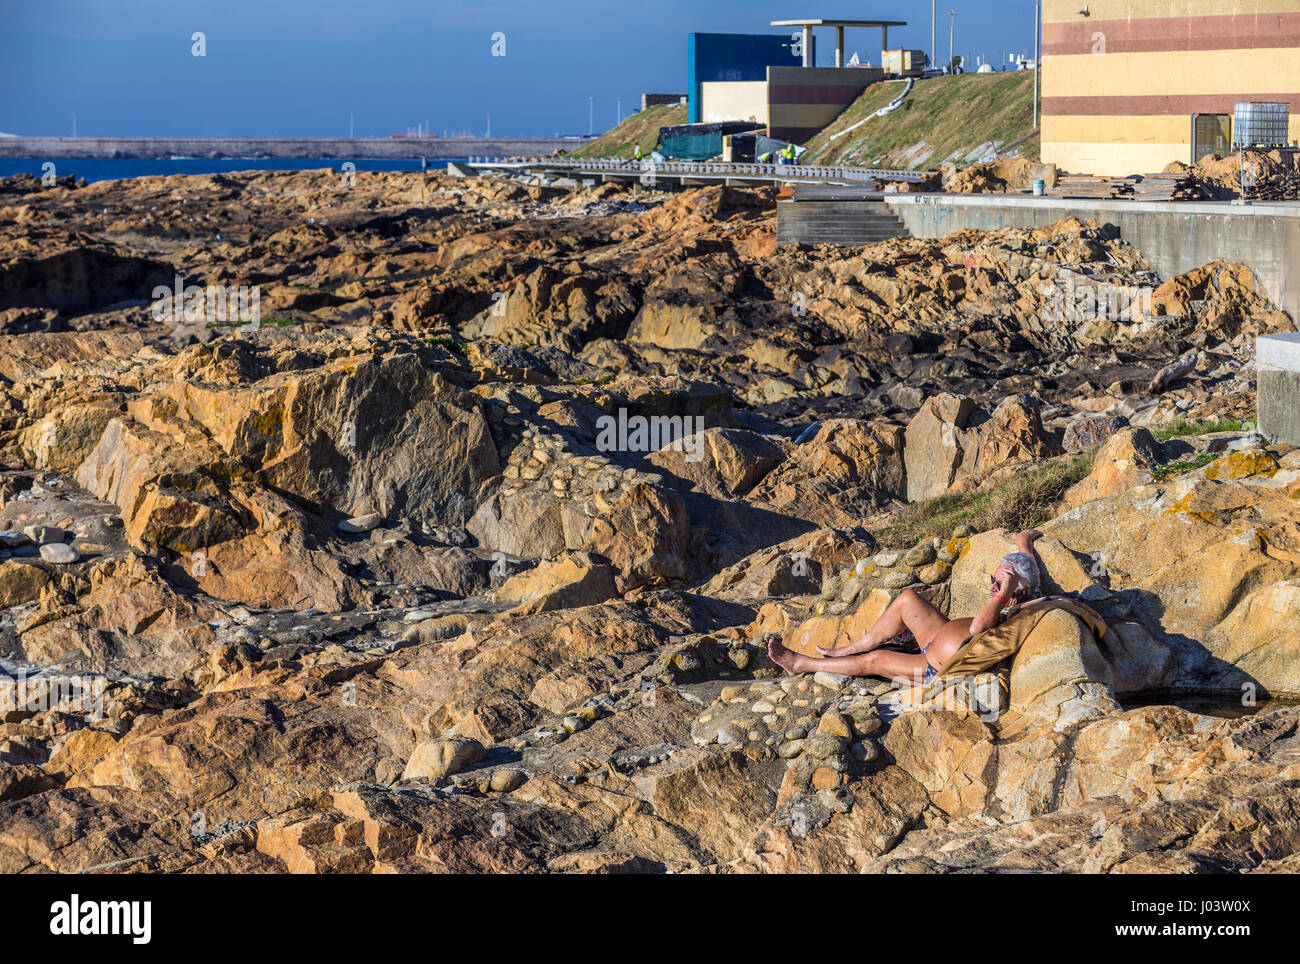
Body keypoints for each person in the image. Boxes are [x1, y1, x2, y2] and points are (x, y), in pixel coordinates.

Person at [767, 529, 1046, 683]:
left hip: (932, 667)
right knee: (907, 599)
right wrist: (1024, 544)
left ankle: (802, 664)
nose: (992, 587)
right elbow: (1027, 572)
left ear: (1015, 592)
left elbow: (978, 628)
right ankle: (851, 647)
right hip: (938, 638)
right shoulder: (1023, 591)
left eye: (998, 583)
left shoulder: (1016, 607)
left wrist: (1003, 593)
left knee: (874, 661)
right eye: (993, 579)